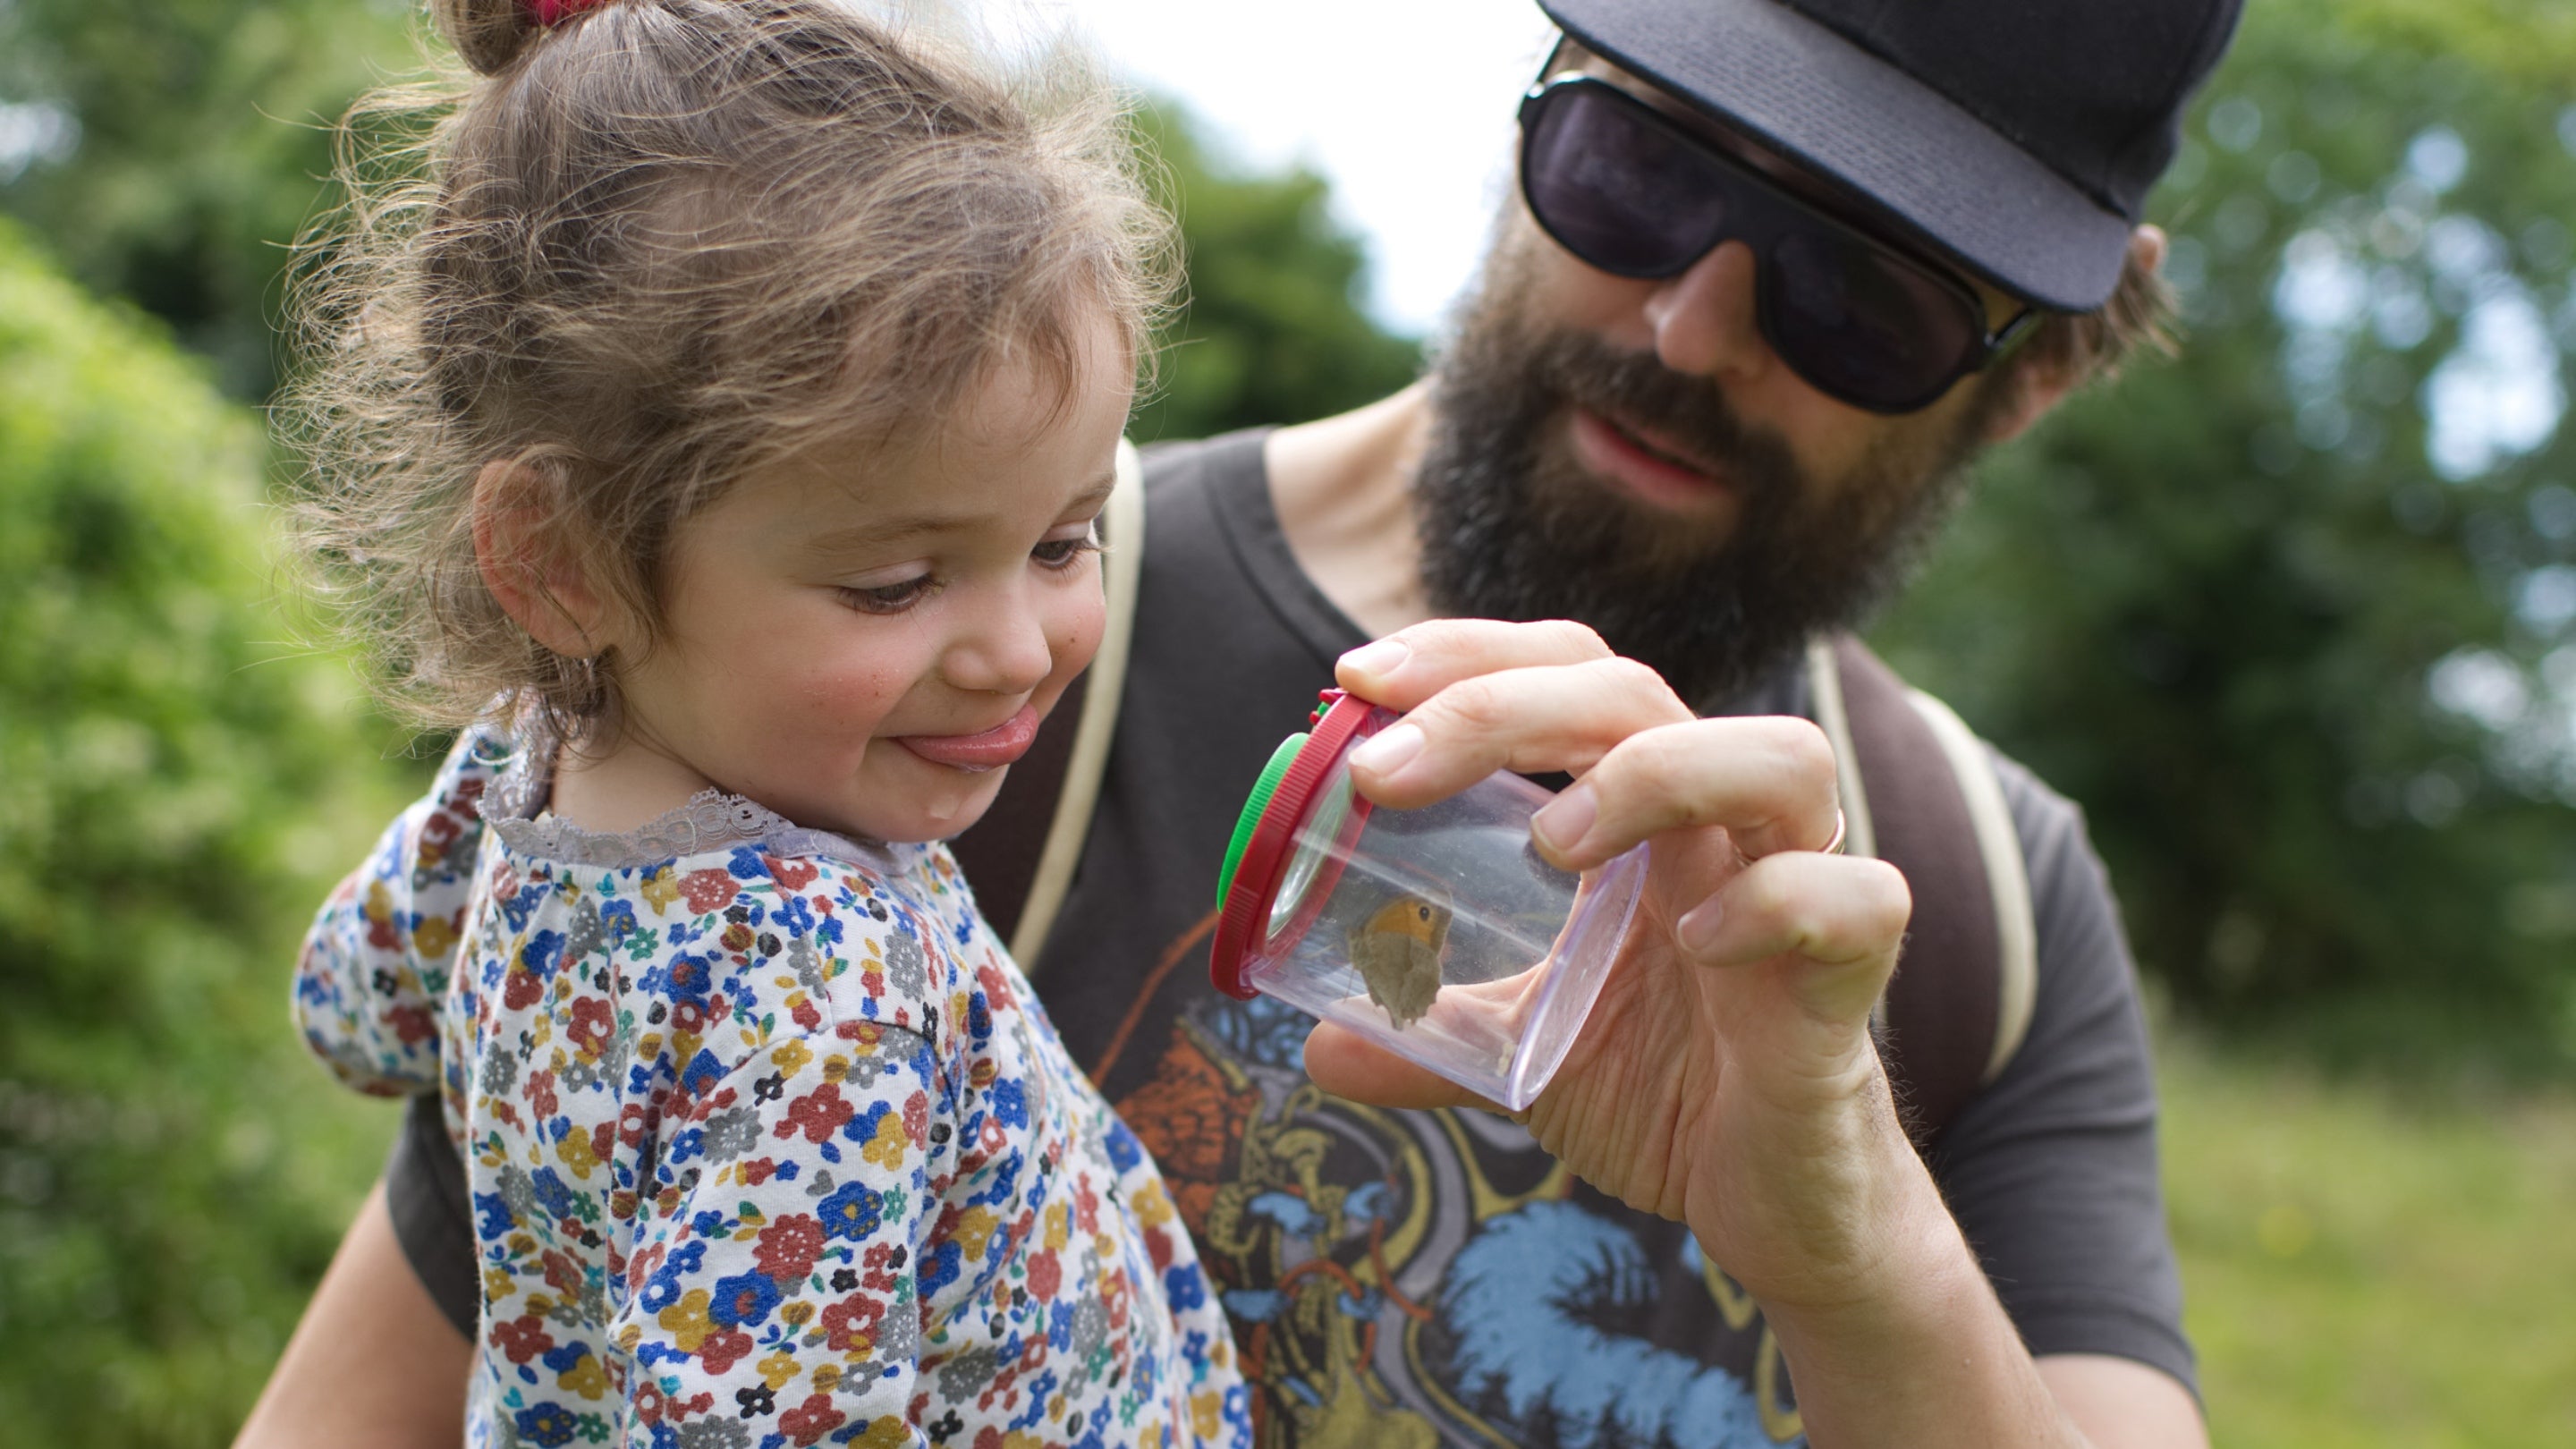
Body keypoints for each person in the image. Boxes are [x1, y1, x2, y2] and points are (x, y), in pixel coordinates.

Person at [238, 0, 2241, 1445]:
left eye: (1858, 292)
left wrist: (1852, 1238)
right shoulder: (848, 701)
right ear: (1526, 105)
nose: (1686, 323)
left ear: (2047, 362)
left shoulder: (1976, 900)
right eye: (1637, 168)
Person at [270, 0, 1255, 1443]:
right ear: (559, 560)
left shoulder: (516, 767)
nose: (1016, 647)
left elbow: (352, 1010)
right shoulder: (813, 984)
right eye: (896, 582)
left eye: (1064, 540)